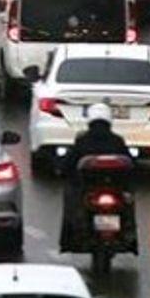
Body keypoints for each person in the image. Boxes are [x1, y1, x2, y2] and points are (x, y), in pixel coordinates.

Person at [59, 103, 132, 252]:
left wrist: (60, 168)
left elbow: (68, 164)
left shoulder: (82, 141)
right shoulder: (117, 141)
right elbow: (131, 164)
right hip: (113, 188)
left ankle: (69, 239)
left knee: (71, 199)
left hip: (88, 190)